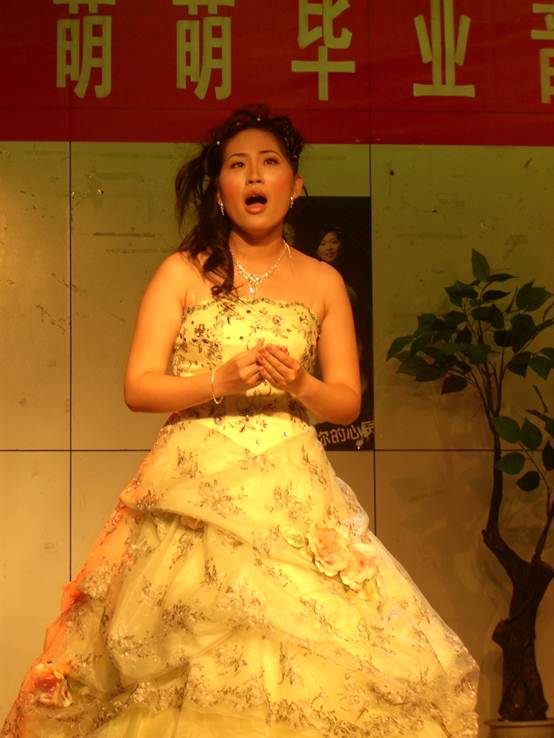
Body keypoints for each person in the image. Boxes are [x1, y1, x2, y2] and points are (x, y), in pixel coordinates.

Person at [1, 105, 479, 738]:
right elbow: (138, 386)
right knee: (181, 656)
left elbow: (345, 403)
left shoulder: (323, 282)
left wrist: (299, 383)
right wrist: (216, 383)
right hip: (195, 486)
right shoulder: (183, 271)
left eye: (270, 162)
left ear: (295, 184)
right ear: (219, 191)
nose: (254, 175)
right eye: (237, 165)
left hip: (291, 488)